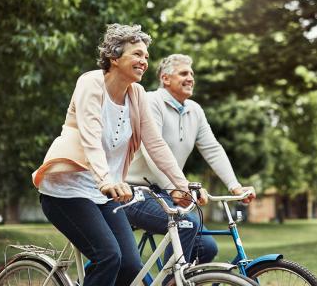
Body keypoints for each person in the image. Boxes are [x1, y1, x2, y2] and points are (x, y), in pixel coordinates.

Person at [32, 25, 196, 286]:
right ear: (114, 58)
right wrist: (106, 179)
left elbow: (155, 144)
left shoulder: (137, 94)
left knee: (130, 265)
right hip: (67, 190)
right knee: (108, 256)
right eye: (137, 54)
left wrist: (182, 184)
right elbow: (91, 138)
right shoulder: (90, 83)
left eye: (146, 56)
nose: (144, 61)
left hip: (105, 194)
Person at [125, 54, 256, 265]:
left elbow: (212, 149)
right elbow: (152, 150)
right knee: (186, 224)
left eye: (192, 74)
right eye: (184, 73)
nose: (190, 78)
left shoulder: (195, 110)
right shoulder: (151, 101)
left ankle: (177, 277)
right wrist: (176, 188)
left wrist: (235, 187)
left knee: (206, 247)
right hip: (134, 191)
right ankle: (171, 281)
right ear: (165, 78)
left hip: (166, 191)